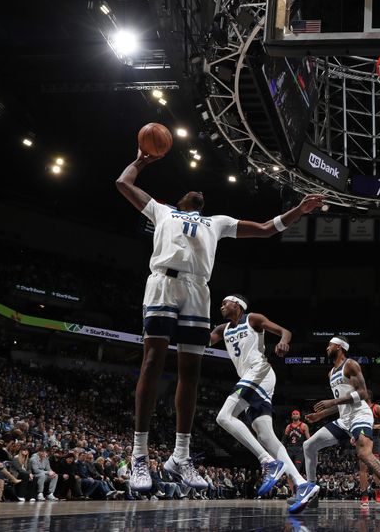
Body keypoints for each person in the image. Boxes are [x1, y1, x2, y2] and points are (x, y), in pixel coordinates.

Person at [115, 149, 324, 492]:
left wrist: (299, 210)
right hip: (163, 285)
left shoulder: (218, 222)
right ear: (181, 201)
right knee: (152, 360)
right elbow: (123, 183)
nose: (199, 192)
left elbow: (266, 229)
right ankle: (139, 455)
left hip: (198, 290)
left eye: (202, 194)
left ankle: (180, 457)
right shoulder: (162, 210)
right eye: (192, 192)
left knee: (191, 372)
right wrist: (140, 160)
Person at [209, 294, 319, 513]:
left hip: (260, 371)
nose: (222, 305)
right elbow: (204, 340)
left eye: (226, 302)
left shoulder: (252, 319)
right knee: (266, 436)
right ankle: (302, 484)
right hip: (253, 379)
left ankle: (267, 461)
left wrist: (283, 342)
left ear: (238, 305)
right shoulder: (222, 329)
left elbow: (285, 331)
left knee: (223, 417)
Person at [302, 336, 380, 513]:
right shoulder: (331, 373)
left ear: (340, 347)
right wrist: (321, 414)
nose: (327, 348)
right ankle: (312, 495)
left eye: (330, 345)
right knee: (309, 445)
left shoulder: (350, 364)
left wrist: (331, 402)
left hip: (360, 415)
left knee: (364, 454)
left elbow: (362, 393)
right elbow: (342, 403)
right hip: (344, 420)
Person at [358, 391, 380, 507]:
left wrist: (374, 426)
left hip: (374, 438)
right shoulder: (359, 409)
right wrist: (353, 435)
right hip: (362, 438)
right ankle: (364, 495)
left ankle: (378, 491)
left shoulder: (377, 408)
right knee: (362, 467)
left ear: (368, 396)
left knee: (375, 467)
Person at [283, 410, 310, 492]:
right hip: (290, 449)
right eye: (293, 414)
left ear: (299, 416)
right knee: (289, 473)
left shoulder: (303, 426)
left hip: (299, 450)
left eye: (297, 414)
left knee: (296, 471)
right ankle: (293, 493)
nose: (295, 415)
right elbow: (284, 440)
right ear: (292, 416)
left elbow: (309, 439)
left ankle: (299, 490)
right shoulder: (288, 427)